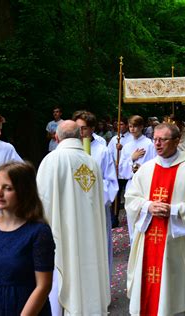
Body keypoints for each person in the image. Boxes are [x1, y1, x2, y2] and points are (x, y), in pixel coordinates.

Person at [124, 123, 185, 315]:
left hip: (177, 244)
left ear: (176, 141)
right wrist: (147, 206)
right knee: (148, 289)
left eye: (163, 140)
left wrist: (173, 210)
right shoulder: (146, 169)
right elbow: (131, 199)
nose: (157, 144)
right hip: (148, 241)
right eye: (155, 139)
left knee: (173, 293)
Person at [36, 120, 110, 315]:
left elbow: (42, 201)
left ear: (57, 137)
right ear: (80, 136)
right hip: (89, 235)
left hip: (61, 233)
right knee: (87, 271)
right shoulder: (91, 161)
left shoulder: (51, 160)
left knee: (61, 273)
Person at [0, 162, 55, 315]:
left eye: (7, 188)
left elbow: (44, 285)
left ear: (23, 192)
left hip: (27, 309)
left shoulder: (38, 232)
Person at [73, 111, 118, 283]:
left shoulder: (102, 151)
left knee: (98, 248)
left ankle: (101, 288)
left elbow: (110, 181)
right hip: (75, 208)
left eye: (84, 128)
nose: (80, 132)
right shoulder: (69, 150)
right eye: (77, 128)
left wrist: (95, 197)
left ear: (92, 129)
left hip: (96, 208)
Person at [119, 115, 157, 239]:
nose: (132, 129)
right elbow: (121, 170)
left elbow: (155, 163)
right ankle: (133, 244)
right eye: (130, 126)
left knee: (144, 216)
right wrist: (132, 158)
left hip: (146, 184)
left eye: (135, 126)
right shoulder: (127, 146)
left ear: (141, 127)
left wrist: (143, 169)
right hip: (132, 184)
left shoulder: (149, 144)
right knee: (132, 216)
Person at [107, 117, 131, 227]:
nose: (119, 127)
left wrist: (123, 148)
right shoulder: (114, 139)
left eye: (121, 124)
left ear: (126, 125)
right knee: (115, 195)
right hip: (116, 171)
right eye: (117, 125)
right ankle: (114, 218)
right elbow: (109, 153)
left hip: (128, 171)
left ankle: (130, 216)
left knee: (129, 194)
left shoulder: (132, 138)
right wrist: (114, 163)